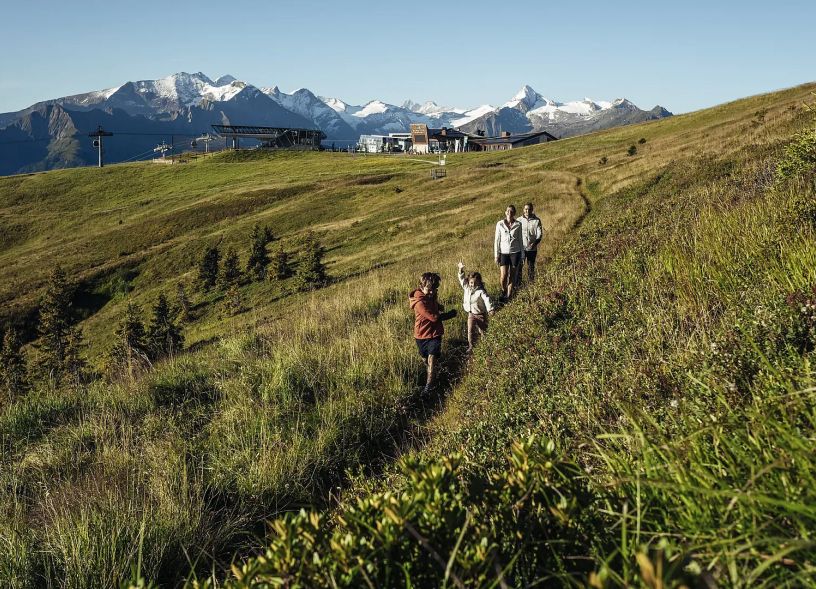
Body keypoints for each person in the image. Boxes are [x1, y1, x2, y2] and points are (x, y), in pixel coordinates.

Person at [409, 272, 457, 394]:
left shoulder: (431, 296)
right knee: (426, 360)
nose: (432, 292)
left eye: (434, 289)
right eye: (429, 290)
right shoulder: (419, 303)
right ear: (421, 286)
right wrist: (450, 314)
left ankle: (429, 386)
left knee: (431, 358)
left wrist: (438, 306)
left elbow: (433, 305)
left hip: (435, 333)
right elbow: (434, 317)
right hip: (421, 335)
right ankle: (435, 373)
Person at [457, 262, 495, 352]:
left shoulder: (481, 291)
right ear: (468, 282)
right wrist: (460, 269)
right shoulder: (466, 288)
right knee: (470, 330)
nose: (472, 284)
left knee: (483, 330)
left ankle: (486, 344)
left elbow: (487, 300)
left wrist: (490, 309)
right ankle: (471, 346)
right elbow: (461, 279)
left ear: (478, 282)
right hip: (471, 314)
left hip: (481, 314)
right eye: (471, 282)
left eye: (475, 283)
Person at [494, 204, 523, 301]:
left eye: (511, 211)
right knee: (503, 276)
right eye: (508, 211)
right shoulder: (500, 224)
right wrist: (496, 255)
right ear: (505, 212)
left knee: (512, 275)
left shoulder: (518, 224)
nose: (509, 213)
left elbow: (520, 240)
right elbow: (497, 240)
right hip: (504, 253)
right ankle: (503, 290)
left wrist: (522, 255)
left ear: (514, 213)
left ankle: (509, 296)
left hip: (516, 252)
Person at [519, 202, 544, 282]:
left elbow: (539, 234)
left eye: (529, 209)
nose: (527, 211)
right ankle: (518, 285)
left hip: (532, 249)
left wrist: (535, 243)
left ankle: (531, 284)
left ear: (532, 210)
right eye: (526, 209)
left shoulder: (537, 220)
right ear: (523, 210)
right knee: (519, 267)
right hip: (521, 248)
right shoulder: (519, 220)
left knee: (531, 267)